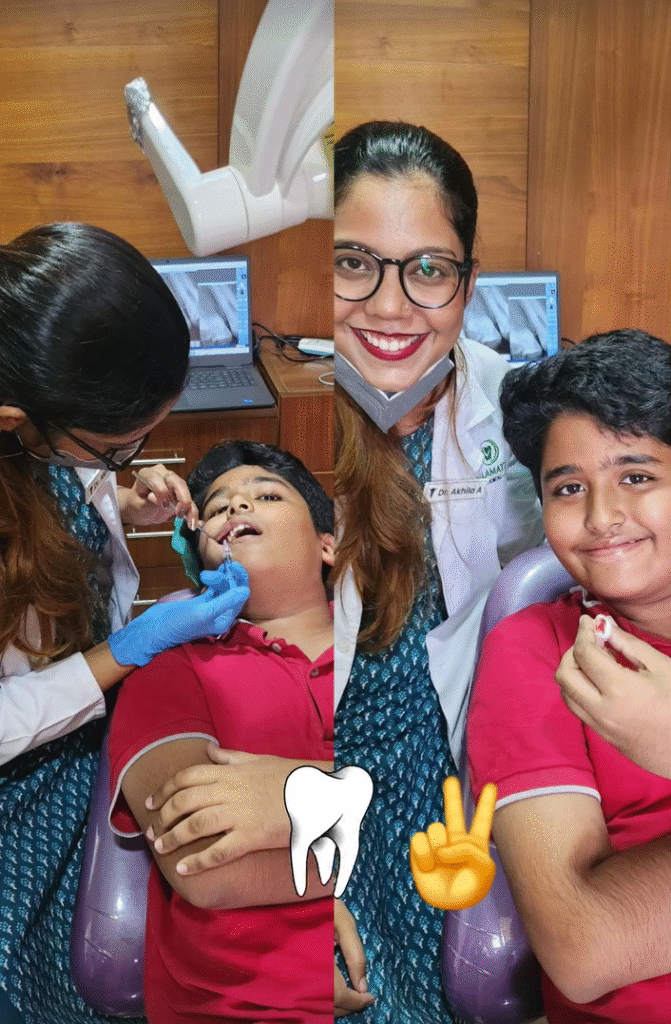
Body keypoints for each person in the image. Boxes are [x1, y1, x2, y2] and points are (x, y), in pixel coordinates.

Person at [0, 223, 249, 1024]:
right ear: (14, 420)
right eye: (114, 444)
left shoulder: (49, 436)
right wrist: (119, 654)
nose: (136, 454)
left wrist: (119, 489)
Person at [332, 121, 544, 1021]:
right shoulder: (284, 422)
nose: (389, 305)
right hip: (316, 761)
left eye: (427, 268)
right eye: (352, 262)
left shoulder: (518, 408)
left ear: (467, 278)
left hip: (450, 760)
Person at [467, 330, 671, 1023]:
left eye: (635, 477)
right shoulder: (538, 653)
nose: (599, 518)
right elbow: (585, 948)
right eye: (568, 487)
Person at [108, 440, 335, 1024]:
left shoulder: (396, 655)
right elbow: (205, 862)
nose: (236, 508)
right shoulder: (170, 669)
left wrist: (299, 792)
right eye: (214, 509)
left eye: (265, 495)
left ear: (327, 544)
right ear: (202, 560)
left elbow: (451, 807)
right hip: (242, 1003)